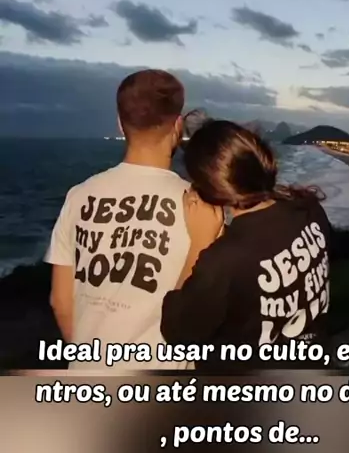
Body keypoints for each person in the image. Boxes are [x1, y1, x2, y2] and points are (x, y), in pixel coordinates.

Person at [45, 69, 218, 371]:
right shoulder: (201, 206)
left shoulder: (79, 195)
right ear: (178, 126)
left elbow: (60, 302)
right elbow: (206, 308)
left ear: (120, 123)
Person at [161, 120, 331, 370]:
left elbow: (178, 335)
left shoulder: (225, 258)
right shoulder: (309, 210)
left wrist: (199, 243)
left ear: (210, 192)